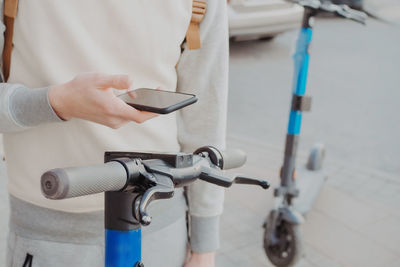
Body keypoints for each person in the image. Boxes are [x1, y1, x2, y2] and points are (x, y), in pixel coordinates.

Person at [0, 0, 229, 266]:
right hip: (49, 239)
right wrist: (56, 102)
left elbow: (206, 116)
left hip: (161, 233)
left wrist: (204, 246)